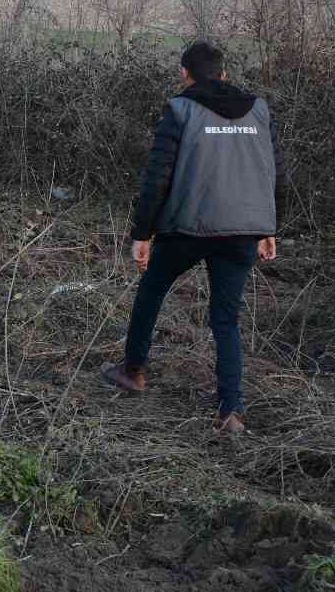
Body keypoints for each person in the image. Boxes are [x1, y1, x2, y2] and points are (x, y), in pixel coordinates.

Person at [101, 41, 279, 435]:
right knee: (226, 319)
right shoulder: (259, 109)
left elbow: (157, 177)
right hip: (245, 231)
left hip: (188, 228)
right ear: (224, 74)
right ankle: (231, 411)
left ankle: (133, 372)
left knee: (151, 290)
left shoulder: (180, 109)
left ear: (185, 73)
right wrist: (267, 228)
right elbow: (272, 170)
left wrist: (142, 233)